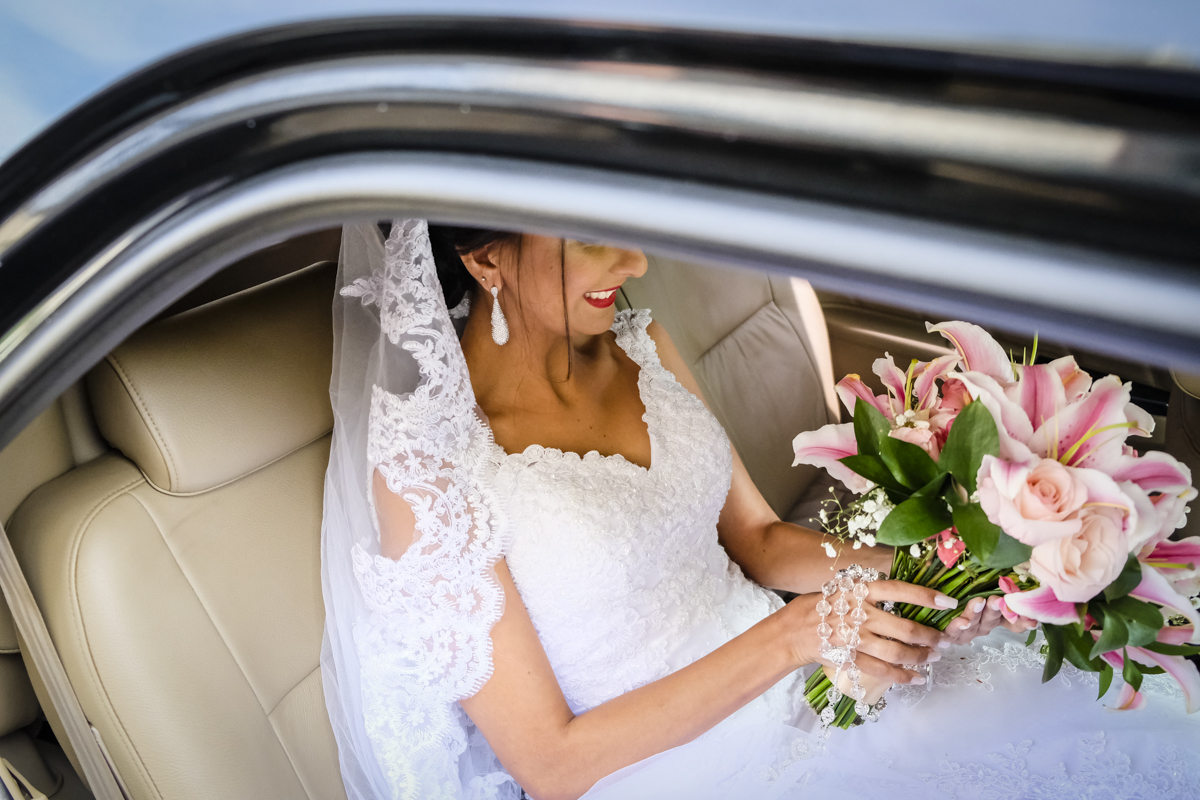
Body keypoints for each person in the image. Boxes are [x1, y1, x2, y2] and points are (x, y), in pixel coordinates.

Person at [320, 220, 1199, 800]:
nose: (634, 266)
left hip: (804, 676)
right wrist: (798, 635)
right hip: (664, 764)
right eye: (593, 240)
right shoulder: (428, 469)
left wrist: (940, 573)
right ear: (484, 258)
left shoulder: (637, 340)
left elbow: (762, 542)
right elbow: (551, 762)